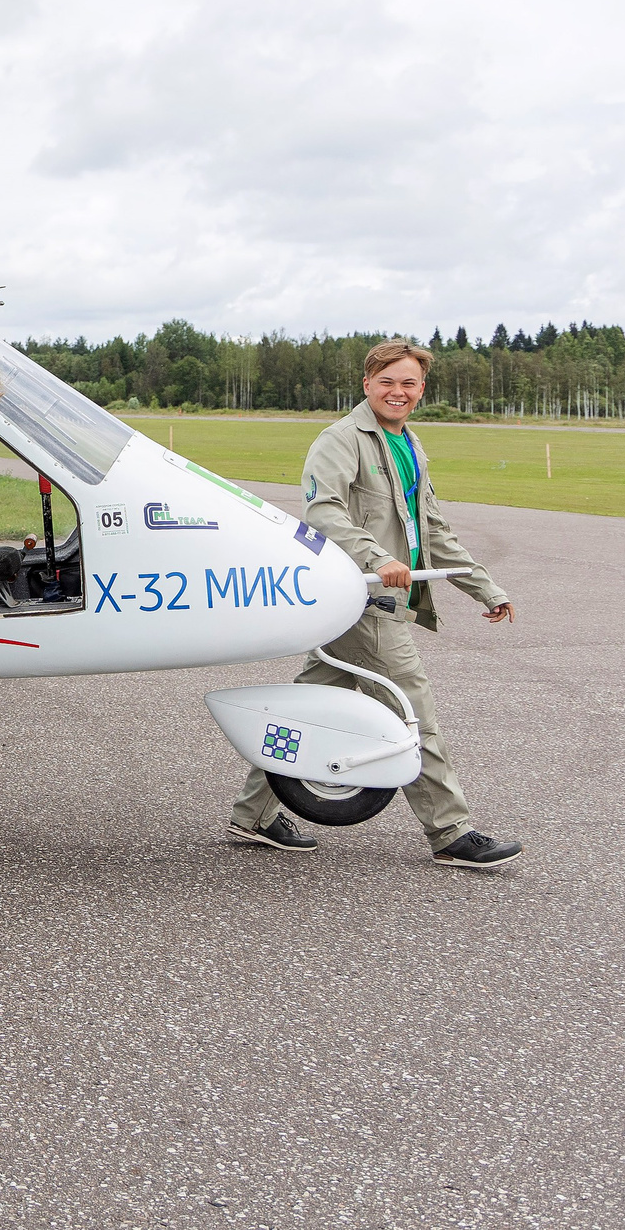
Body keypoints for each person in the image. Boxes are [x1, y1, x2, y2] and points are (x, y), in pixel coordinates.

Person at [229, 339, 524, 868]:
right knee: (414, 712)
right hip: (365, 600)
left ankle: (253, 814)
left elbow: (432, 527)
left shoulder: (408, 444)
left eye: (408, 383)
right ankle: (451, 832)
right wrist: (376, 557)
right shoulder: (341, 439)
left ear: (421, 389)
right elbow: (322, 511)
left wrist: (483, 586)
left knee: (311, 709)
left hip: (369, 600)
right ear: (367, 384)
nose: (398, 392)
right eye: (387, 381)